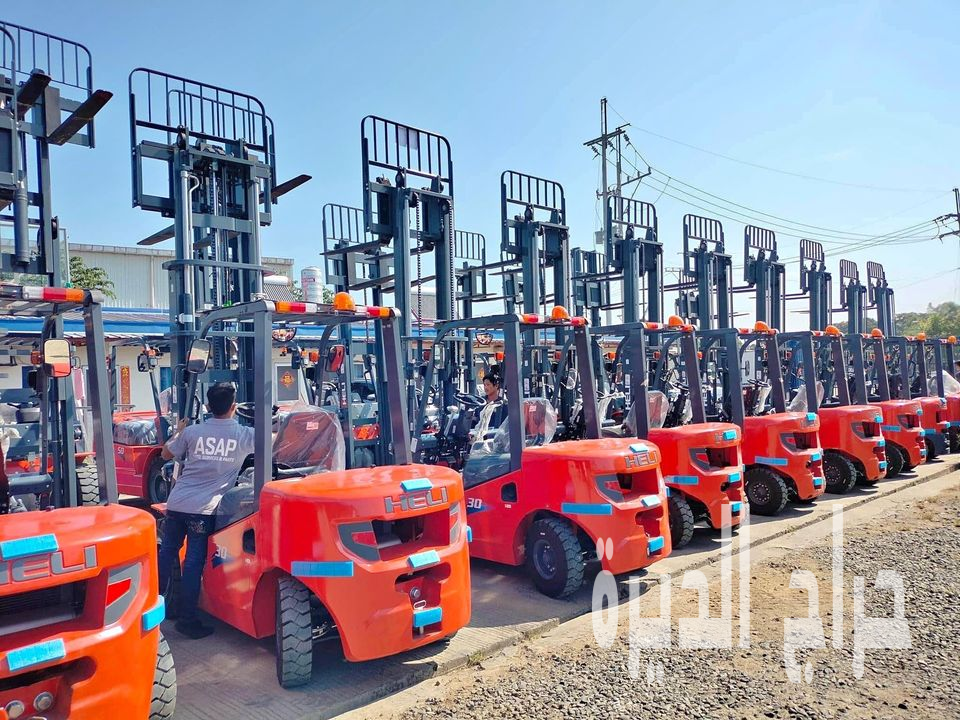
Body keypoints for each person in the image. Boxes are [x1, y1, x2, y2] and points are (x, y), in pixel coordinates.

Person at [157, 383, 255, 639]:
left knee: (166, 554)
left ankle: (151, 607)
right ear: (234, 407)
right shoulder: (245, 435)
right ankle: (187, 620)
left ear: (209, 407)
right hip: (203, 510)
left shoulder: (192, 432)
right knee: (193, 563)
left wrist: (178, 431)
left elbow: (165, 454)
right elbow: (278, 442)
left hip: (177, 503)